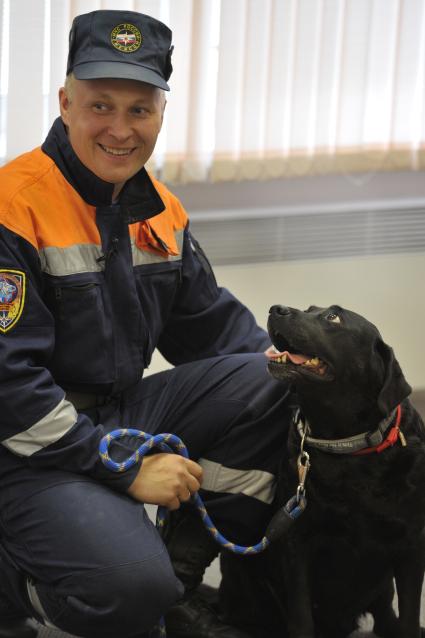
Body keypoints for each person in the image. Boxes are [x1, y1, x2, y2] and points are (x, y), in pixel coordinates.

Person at [0, 9, 291, 638]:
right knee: (131, 589)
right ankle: (22, 579)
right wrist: (125, 471)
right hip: (25, 445)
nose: (120, 130)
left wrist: (331, 397)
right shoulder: (13, 208)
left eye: (139, 110)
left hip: (119, 414)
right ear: (65, 102)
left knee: (278, 382)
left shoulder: (158, 209)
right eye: (100, 106)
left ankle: (180, 570)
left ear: (161, 112)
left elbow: (217, 332)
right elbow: (9, 391)